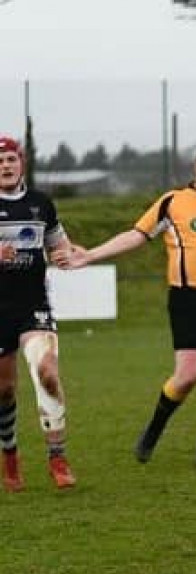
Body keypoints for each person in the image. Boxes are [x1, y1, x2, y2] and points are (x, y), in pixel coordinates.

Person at [59, 145, 196, 469]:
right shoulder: (173, 202)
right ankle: (152, 433)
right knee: (187, 375)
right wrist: (90, 255)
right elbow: (136, 235)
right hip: (188, 299)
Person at [0, 135, 77, 491]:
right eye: (0, 161)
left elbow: (60, 244)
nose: (6, 166)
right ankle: (10, 454)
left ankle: (57, 457)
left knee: (46, 371)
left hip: (34, 307)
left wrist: (66, 254)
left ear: (22, 163)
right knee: (4, 390)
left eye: (11, 159)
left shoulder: (41, 204)